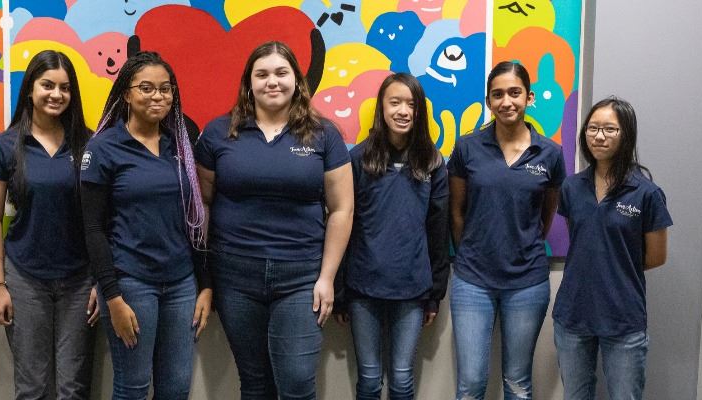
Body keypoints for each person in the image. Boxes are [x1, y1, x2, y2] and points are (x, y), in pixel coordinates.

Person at [194, 41, 354, 399]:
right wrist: (203, 275)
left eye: (281, 73)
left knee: (297, 382)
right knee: (255, 383)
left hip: (301, 275)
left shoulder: (323, 135)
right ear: (248, 83)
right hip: (235, 275)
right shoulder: (219, 133)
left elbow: (342, 209)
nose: (272, 82)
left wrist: (327, 277)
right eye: (261, 74)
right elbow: (203, 203)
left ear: (296, 80)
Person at [80, 51, 211, 400]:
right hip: (131, 284)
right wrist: (113, 297)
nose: (158, 96)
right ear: (126, 93)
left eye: (166, 89)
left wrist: (205, 284)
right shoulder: (103, 148)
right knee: (133, 387)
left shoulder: (180, 146)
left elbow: (194, 218)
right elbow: (92, 228)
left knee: (176, 388)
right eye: (147, 88)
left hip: (182, 285)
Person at [447, 61, 565, 400]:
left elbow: (547, 214)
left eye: (514, 93)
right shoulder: (467, 148)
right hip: (472, 280)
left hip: (527, 281)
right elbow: (457, 212)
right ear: (488, 100)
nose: (506, 101)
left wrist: (522, 244)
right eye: (497, 95)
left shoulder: (550, 153)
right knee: (470, 383)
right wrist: (471, 250)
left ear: (528, 98)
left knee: (518, 382)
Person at [0, 50, 95, 399]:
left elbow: (103, 218)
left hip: (80, 279)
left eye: (64, 87)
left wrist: (101, 282)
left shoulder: (88, 142)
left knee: (73, 388)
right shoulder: (6, 145)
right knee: (31, 388)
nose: (56, 95)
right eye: (47, 85)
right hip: (24, 278)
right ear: (30, 88)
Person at [553, 97, 671, 400]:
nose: (599, 136)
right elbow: (582, 242)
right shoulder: (572, 187)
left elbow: (656, 257)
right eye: (593, 128)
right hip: (573, 314)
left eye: (609, 129)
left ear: (626, 135)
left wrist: (613, 268)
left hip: (623, 317)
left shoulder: (647, 193)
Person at [342, 73, 449, 400]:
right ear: (382, 108)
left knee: (402, 379)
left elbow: (438, 230)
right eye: (395, 102)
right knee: (370, 379)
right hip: (363, 287)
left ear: (420, 112)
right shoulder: (358, 158)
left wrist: (434, 293)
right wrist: (339, 289)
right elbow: (343, 223)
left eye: (411, 104)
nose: (403, 111)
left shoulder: (432, 161)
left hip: (412, 287)